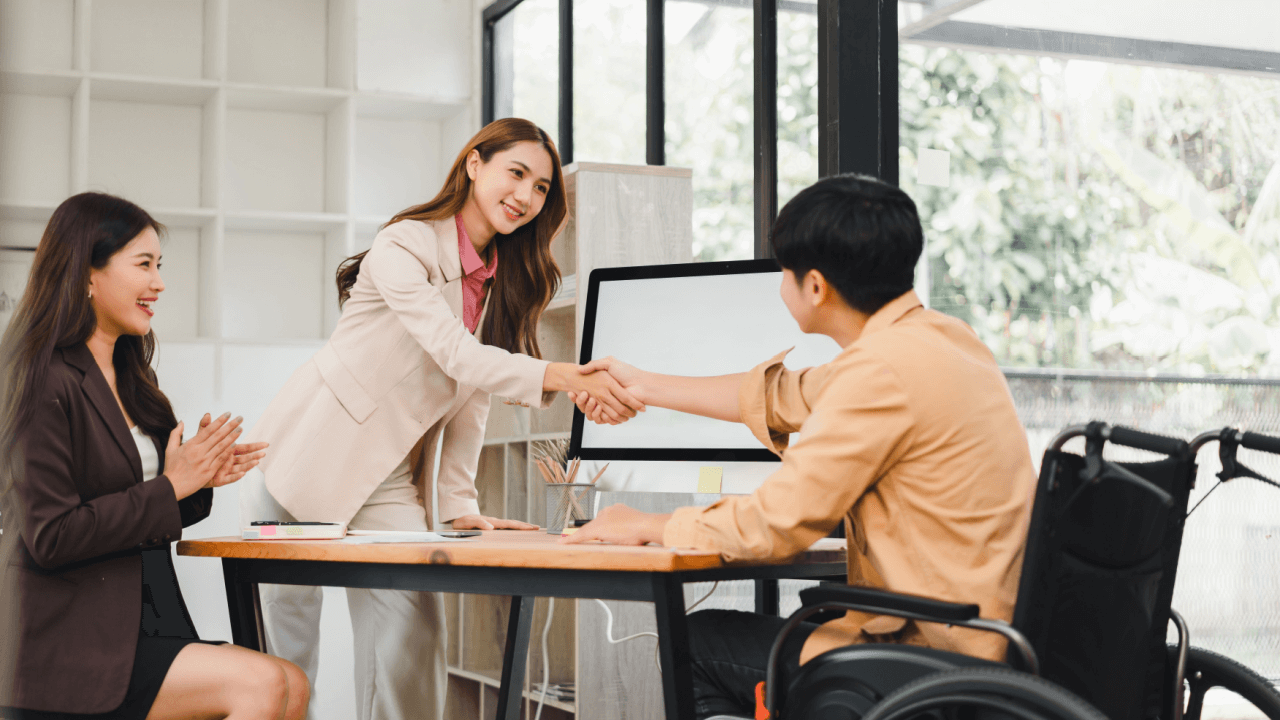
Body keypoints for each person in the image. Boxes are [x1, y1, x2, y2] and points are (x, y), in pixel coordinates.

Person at [564, 174, 1037, 719]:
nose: (780, 286)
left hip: (935, 656)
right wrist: (642, 384)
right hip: (988, 639)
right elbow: (780, 397)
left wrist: (644, 524)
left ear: (814, 287)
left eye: (783, 273)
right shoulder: (943, 341)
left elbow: (775, 525)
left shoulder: (879, 372)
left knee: (695, 642)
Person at [238, 117, 644, 720]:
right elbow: (454, 352)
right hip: (302, 460)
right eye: (517, 174)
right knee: (286, 653)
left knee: (410, 636)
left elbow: (470, 398)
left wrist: (459, 507)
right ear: (474, 164)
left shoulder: (502, 277)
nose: (526, 197)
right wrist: (559, 374)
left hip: (386, 479)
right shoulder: (404, 243)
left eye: (540, 189)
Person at [0, 192, 309, 720]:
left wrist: (201, 480)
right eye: (143, 265)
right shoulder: (41, 379)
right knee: (260, 685)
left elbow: (154, 504)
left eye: (159, 265)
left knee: (292, 682)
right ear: (86, 275)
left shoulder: (134, 379)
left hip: (144, 616)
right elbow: (52, 536)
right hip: (68, 637)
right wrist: (173, 485)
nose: (159, 283)